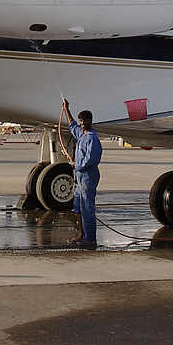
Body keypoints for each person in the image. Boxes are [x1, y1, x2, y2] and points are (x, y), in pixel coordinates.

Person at [62, 98, 102, 248]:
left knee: (87, 208)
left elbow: (91, 159)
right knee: (78, 206)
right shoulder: (82, 135)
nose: (82, 123)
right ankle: (82, 234)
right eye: (81, 120)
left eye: (84, 120)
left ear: (90, 121)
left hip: (88, 176)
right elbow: (72, 126)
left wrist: (75, 164)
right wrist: (67, 109)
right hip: (79, 177)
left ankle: (90, 238)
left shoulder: (92, 139)